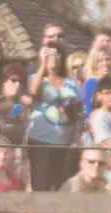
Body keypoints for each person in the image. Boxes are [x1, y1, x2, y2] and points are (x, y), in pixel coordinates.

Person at [24, 43, 83, 192]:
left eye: (58, 53)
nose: (54, 57)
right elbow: (33, 92)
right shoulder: (36, 78)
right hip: (41, 141)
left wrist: (72, 109)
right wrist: (43, 66)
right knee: (41, 187)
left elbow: (80, 109)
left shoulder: (71, 81)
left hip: (65, 143)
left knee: (62, 188)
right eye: (50, 53)